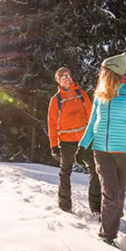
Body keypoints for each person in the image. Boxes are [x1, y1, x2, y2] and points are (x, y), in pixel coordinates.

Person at [78, 53, 126, 246]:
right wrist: (83, 145)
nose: (100, 74)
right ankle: (107, 236)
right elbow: (92, 122)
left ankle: (113, 216)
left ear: (111, 72)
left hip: (125, 151)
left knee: (120, 192)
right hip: (101, 151)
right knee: (111, 193)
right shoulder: (100, 94)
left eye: (103, 71)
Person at [47, 67, 101, 214]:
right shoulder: (55, 100)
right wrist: (54, 145)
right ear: (58, 81)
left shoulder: (81, 94)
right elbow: (52, 124)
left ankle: (96, 207)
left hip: (85, 141)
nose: (67, 78)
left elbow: (92, 117)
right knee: (65, 172)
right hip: (66, 142)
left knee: (95, 171)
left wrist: (95, 135)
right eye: (63, 76)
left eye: (69, 75)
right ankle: (65, 206)